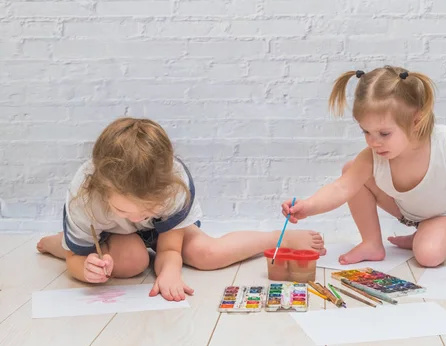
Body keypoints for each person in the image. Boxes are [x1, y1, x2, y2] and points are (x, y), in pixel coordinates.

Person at [37, 117, 325, 301]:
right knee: (130, 264)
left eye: (147, 208)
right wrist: (84, 269)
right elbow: (78, 261)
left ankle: (277, 238)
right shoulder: (84, 197)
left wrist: (170, 272)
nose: (139, 218)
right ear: (102, 190)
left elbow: (169, 250)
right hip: (112, 234)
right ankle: (58, 244)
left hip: (163, 229)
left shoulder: (174, 184)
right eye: (126, 210)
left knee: (207, 254)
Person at [281, 66, 446, 268]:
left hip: (444, 212)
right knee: (352, 170)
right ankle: (372, 243)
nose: (374, 142)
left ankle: (424, 235)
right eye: (366, 132)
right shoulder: (373, 155)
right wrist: (309, 206)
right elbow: (342, 188)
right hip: (406, 210)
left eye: (384, 133)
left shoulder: (445, 141)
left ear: (416, 120)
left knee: (429, 256)